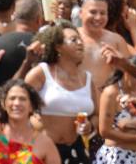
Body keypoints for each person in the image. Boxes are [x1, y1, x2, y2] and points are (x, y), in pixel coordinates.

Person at [0, 38, 60, 164]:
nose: (17, 103)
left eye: (23, 99)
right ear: (3, 104)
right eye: (12, 98)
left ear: (31, 106)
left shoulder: (44, 143)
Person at [25, 21, 98, 164]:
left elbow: (96, 114)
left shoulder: (87, 78)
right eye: (73, 40)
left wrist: (90, 126)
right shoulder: (41, 73)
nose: (80, 43)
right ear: (58, 46)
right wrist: (34, 121)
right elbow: (17, 104)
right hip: (44, 151)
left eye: (80, 40)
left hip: (78, 151)